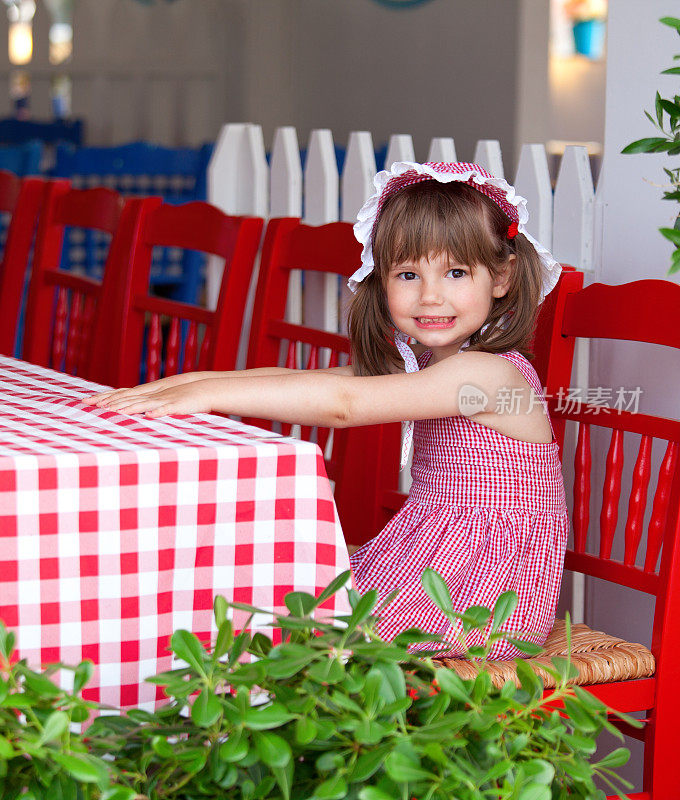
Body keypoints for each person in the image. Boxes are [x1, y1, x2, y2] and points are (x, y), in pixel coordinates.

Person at [84, 162, 569, 659]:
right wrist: (192, 383)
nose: (430, 295)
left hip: (488, 593)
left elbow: (344, 404)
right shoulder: (430, 366)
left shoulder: (487, 377)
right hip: (437, 555)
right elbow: (312, 382)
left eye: (455, 272)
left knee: (285, 629)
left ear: (503, 276)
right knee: (265, 604)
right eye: (407, 273)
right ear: (381, 280)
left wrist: (207, 397)